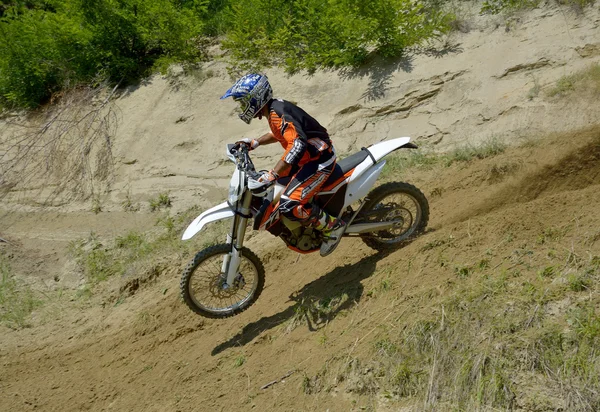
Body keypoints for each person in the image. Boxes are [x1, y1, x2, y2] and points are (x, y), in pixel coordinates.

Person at [220, 73, 345, 257]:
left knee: (289, 203)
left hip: (319, 160)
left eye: (243, 102)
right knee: (276, 193)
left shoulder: (278, 112)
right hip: (308, 159)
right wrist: (255, 142)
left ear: (255, 98)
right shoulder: (274, 109)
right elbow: (280, 133)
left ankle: (333, 227)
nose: (242, 107)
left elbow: (297, 144)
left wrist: (273, 173)